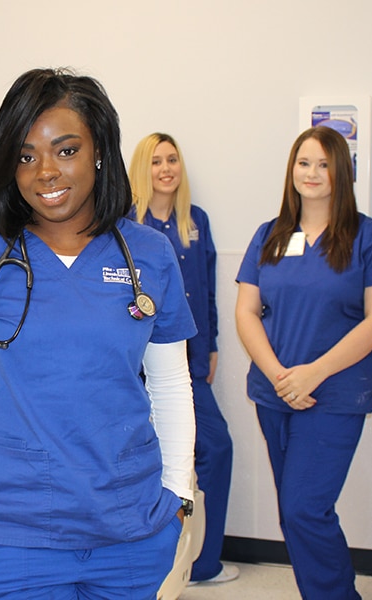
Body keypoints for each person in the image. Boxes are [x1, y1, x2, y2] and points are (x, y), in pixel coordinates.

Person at [0, 68, 198, 598]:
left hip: (131, 534)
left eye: (67, 150)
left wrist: (178, 496)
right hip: (6, 538)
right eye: (26, 156)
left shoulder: (149, 254)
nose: (46, 172)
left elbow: (171, 386)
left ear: (99, 151)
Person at [234, 126, 372, 600]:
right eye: (304, 163)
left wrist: (313, 373)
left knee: (306, 508)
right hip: (275, 392)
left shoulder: (370, 237)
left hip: (335, 395)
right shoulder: (270, 235)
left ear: (342, 172)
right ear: (291, 170)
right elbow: (246, 312)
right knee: (295, 512)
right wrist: (279, 376)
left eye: (324, 164)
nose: (312, 173)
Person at [128, 132, 237, 586]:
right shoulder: (127, 227)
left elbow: (205, 290)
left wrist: (210, 346)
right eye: (156, 161)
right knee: (146, 458)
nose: (166, 169)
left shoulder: (197, 222)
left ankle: (202, 563)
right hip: (139, 367)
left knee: (216, 448)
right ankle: (154, 557)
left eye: (172, 159)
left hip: (190, 364)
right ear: (142, 169)